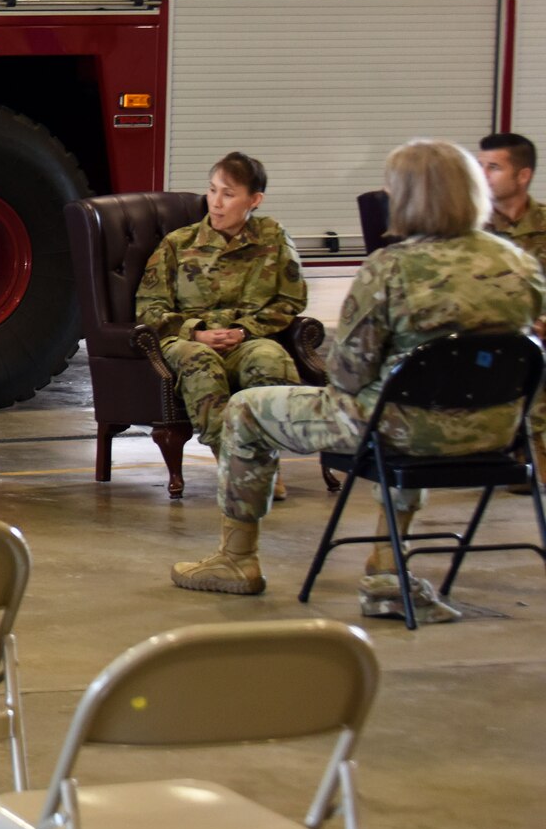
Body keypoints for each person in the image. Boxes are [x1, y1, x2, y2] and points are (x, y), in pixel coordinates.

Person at [171, 140, 546, 623]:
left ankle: (236, 560)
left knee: (246, 409)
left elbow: (348, 373)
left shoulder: (391, 268)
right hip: (496, 433)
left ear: (411, 198)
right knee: (414, 409)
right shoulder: (518, 263)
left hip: (400, 429)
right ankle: (389, 571)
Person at [134, 152, 307, 474]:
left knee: (270, 359)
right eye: (212, 190)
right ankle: (236, 467)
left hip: (246, 339)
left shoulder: (273, 237)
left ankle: (264, 464)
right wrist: (196, 332)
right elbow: (148, 309)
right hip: (188, 340)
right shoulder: (178, 244)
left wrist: (244, 330)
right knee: (200, 360)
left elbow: (290, 301)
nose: (216, 202)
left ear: (254, 200)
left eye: (228, 194)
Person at [479, 132, 546, 269]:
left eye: (493, 167)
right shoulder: (466, 224)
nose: (482, 175)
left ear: (523, 176)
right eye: (480, 166)